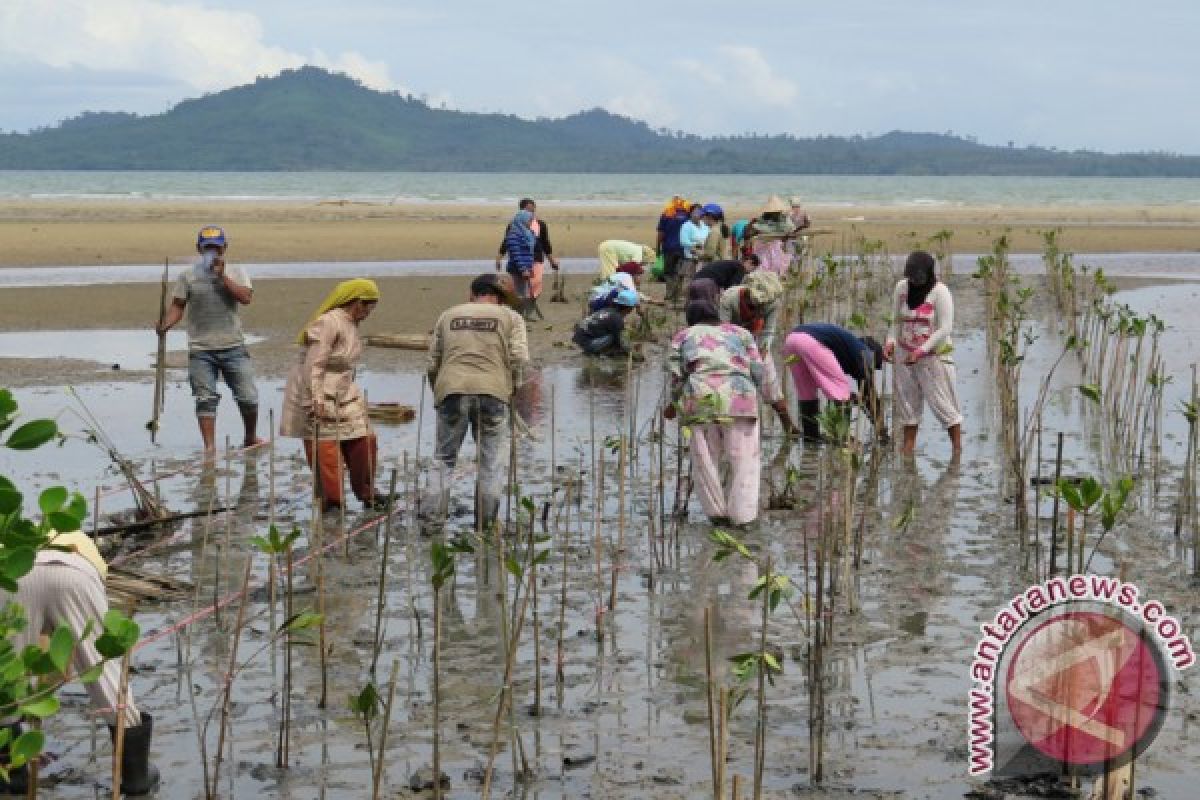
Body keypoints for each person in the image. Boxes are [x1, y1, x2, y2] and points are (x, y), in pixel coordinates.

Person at [1, 530, 159, 795]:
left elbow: (42, 640)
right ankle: (135, 777)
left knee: (6, 676)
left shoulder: (13, 533)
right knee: (104, 671)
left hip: (15, 574)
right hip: (73, 574)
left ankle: (11, 775)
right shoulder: (84, 546)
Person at [426, 274, 530, 529]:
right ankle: (485, 526)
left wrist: (439, 394)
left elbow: (432, 363)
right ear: (500, 298)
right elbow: (519, 359)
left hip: (451, 390)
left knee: (443, 460)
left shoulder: (448, 315)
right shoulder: (511, 318)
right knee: (491, 463)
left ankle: (431, 524)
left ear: (471, 294)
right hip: (493, 392)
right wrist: (511, 389)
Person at [280, 279, 387, 513]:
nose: (370, 312)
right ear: (356, 303)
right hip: (316, 389)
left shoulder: (351, 323)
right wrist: (315, 398)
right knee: (325, 449)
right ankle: (332, 503)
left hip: (343, 390)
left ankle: (367, 492)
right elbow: (314, 364)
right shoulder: (328, 322)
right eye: (368, 306)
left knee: (364, 439)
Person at [157, 226, 261, 455]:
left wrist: (222, 276)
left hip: (233, 346)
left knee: (248, 397)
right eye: (208, 248)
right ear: (199, 249)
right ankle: (210, 448)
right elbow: (177, 306)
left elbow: (245, 298)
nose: (213, 252)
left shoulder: (236, 271)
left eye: (217, 248)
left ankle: (250, 437)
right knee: (205, 399)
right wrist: (165, 324)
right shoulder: (188, 276)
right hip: (201, 349)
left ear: (224, 248)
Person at [664, 290, 765, 526]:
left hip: (700, 398)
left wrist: (672, 405)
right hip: (740, 396)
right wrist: (753, 392)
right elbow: (758, 369)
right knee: (745, 459)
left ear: (691, 320)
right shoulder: (741, 333)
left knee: (705, 459)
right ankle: (743, 517)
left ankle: (717, 515)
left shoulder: (682, 336)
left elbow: (677, 375)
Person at [884, 250, 963, 456]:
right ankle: (908, 449)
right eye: (911, 277)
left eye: (918, 278)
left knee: (944, 404)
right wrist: (890, 341)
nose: (914, 282)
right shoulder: (901, 288)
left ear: (928, 274)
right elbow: (894, 320)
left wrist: (921, 350)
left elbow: (945, 328)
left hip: (933, 357)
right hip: (904, 354)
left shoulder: (940, 292)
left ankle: (957, 451)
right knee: (907, 404)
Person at [719, 270, 796, 433]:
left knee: (771, 387)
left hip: (755, 342)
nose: (759, 307)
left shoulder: (772, 301)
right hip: (730, 344)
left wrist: (760, 354)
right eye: (754, 304)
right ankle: (729, 430)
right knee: (729, 389)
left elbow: (768, 331)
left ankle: (789, 428)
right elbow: (723, 331)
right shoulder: (729, 299)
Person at [782, 323, 887, 443]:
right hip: (811, 342)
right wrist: (881, 429)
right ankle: (842, 437)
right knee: (840, 390)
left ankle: (811, 437)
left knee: (807, 393)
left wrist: (857, 399)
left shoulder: (846, 347)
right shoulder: (865, 353)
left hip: (791, 340)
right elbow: (869, 395)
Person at [496, 198, 560, 320]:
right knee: (522, 289)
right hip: (521, 262)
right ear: (522, 210)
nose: (532, 212)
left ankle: (526, 312)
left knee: (536, 285)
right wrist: (499, 257)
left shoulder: (540, 225)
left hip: (536, 258)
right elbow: (508, 243)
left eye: (533, 209)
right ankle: (520, 314)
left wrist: (552, 260)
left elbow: (545, 243)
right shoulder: (514, 225)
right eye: (529, 210)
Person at [573, 289, 639, 356]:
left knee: (616, 335)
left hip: (579, 339)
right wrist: (634, 354)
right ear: (629, 308)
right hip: (588, 344)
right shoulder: (617, 319)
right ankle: (596, 352)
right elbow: (621, 341)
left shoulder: (606, 310)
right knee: (616, 337)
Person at [745, 196, 796, 276]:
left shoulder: (782, 222)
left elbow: (789, 232)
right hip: (763, 249)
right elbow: (748, 235)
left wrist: (785, 237)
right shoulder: (762, 222)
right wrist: (751, 223)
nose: (777, 213)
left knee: (772, 268)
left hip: (773, 249)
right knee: (764, 269)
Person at [656, 196, 692, 301]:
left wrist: (658, 249)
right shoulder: (688, 215)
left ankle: (669, 294)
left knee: (668, 272)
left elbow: (661, 234)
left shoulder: (666, 214)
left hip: (669, 248)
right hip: (683, 249)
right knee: (680, 273)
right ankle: (678, 294)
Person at [677, 203, 710, 287]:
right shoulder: (686, 226)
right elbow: (683, 241)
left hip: (703, 257)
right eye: (695, 212)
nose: (697, 214)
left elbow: (709, 237)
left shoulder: (705, 225)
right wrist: (696, 244)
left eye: (699, 212)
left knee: (703, 279)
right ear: (690, 213)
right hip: (690, 257)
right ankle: (686, 297)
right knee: (689, 280)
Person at [694, 253, 759, 291]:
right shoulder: (740, 268)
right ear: (749, 262)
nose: (751, 272)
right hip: (706, 282)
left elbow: (728, 286)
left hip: (698, 279)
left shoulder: (734, 264)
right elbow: (732, 288)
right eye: (753, 269)